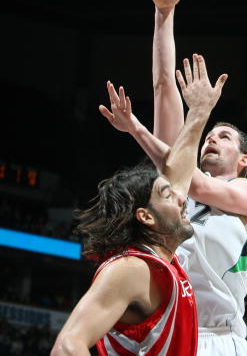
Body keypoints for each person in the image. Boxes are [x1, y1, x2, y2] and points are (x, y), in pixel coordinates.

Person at [99, 0, 247, 356]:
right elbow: (162, 87)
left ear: (243, 159)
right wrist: (163, 14)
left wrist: (139, 129)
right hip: (171, 331)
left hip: (221, 337)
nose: (210, 139)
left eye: (224, 137)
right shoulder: (177, 181)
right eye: (207, 135)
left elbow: (190, 179)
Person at [51, 53, 228, 356]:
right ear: (146, 216)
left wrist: (199, 113)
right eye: (167, 195)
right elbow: (68, 346)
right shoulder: (132, 268)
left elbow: (180, 169)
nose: (182, 197)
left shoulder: (162, 263)